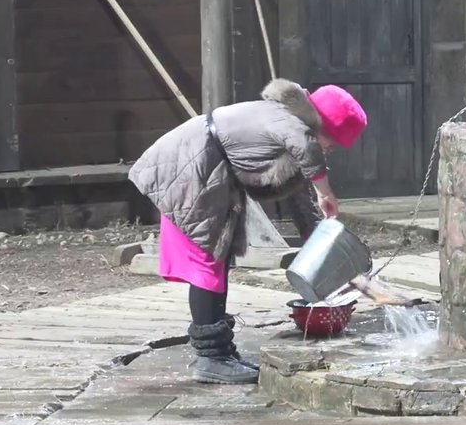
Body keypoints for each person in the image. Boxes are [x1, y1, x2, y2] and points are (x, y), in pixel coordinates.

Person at [128, 78, 367, 384]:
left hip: (206, 169)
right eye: (332, 141)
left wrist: (321, 240)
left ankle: (220, 353)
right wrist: (324, 188)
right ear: (318, 123)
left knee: (217, 261)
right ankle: (212, 359)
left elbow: (300, 198)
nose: (331, 150)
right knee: (207, 264)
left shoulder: (287, 126)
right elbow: (305, 147)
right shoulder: (288, 122)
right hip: (192, 166)